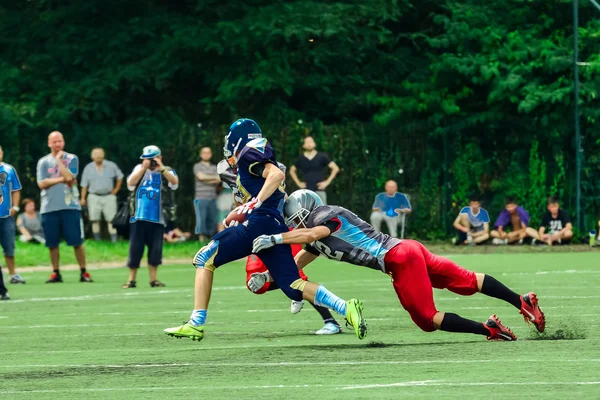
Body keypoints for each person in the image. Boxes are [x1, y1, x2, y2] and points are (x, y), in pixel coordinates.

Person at [164, 118, 366, 342]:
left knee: (205, 258)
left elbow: (276, 176)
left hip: (259, 222)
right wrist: (244, 208)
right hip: (271, 225)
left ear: (238, 139)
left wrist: (254, 203)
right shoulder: (246, 166)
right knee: (293, 285)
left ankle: (196, 323)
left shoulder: (252, 151)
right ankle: (346, 308)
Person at [252, 189, 546, 341]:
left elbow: (313, 233)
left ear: (308, 211)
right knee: (467, 281)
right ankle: (521, 301)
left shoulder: (324, 216)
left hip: (398, 258)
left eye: (295, 220)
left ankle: (489, 329)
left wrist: (276, 238)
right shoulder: (313, 239)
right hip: (407, 249)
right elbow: (294, 266)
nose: (294, 225)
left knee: (426, 320)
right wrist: (266, 278)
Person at [217, 157, 342, 335]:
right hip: (255, 230)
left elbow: (281, 197)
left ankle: (330, 320)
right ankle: (291, 289)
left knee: (296, 274)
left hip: (279, 227)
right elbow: (239, 205)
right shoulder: (232, 180)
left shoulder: (262, 169)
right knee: (255, 283)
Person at [37, 132, 92, 283]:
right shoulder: (43, 162)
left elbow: (70, 177)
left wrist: (59, 162)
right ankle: (56, 272)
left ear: (64, 142)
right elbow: (41, 184)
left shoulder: (72, 158)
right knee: (52, 243)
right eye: (54, 142)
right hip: (49, 207)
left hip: (70, 206)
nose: (57, 144)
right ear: (49, 143)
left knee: (77, 241)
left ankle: (83, 271)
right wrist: (62, 179)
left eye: (59, 141)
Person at [123, 145, 178, 289]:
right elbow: (130, 183)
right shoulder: (139, 169)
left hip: (158, 218)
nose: (151, 162)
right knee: (135, 249)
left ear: (160, 158)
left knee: (155, 251)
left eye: (153, 159)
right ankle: (131, 279)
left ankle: (154, 279)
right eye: (147, 159)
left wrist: (162, 168)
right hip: (138, 217)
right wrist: (143, 168)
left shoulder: (166, 171)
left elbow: (174, 183)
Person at [80, 147, 124, 243]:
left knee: (111, 219)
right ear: (92, 156)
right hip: (94, 196)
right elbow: (84, 184)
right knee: (95, 219)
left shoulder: (111, 165)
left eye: (100, 154)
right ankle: (97, 240)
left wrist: (116, 189)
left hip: (109, 196)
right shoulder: (88, 168)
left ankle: (114, 241)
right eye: (96, 155)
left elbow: (120, 177)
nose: (98, 156)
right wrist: (82, 198)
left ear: (103, 155)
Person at [0, 145, 25, 287]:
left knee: (9, 245)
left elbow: (16, 189)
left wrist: (15, 207)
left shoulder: (9, 170)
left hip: (6, 215)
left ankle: (12, 274)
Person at [289, 136, 339, 204]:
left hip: (319, 190)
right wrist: (298, 183)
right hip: (306, 192)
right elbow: (292, 170)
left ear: (314, 144)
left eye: (311, 142)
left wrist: (327, 182)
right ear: (304, 145)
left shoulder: (322, 156)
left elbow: (335, 168)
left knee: (322, 212)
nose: (309, 144)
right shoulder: (301, 158)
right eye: (307, 142)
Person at [193, 147, 220, 242]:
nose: (206, 154)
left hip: (212, 197)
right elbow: (201, 177)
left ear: (211, 154)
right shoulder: (197, 166)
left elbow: (219, 180)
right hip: (201, 197)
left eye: (208, 153)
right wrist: (214, 178)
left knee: (212, 219)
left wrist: (207, 179)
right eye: (204, 153)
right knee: (201, 219)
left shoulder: (214, 167)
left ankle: (211, 241)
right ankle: (201, 240)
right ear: (201, 154)